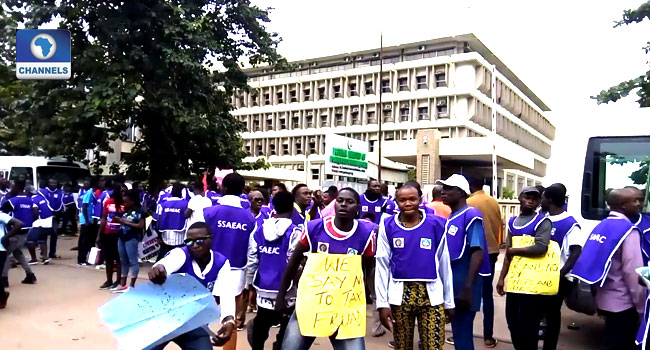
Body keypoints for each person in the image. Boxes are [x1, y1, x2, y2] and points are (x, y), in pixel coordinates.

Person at [275, 187, 375, 350]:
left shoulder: (366, 234)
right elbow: (293, 263)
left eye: (349, 202)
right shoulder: (314, 228)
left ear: (358, 207)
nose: (343, 205)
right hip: (311, 303)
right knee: (290, 347)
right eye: (340, 200)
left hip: (345, 309)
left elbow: (369, 269)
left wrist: (372, 298)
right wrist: (281, 297)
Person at [375, 183, 454, 350]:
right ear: (396, 202)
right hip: (399, 297)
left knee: (433, 346)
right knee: (402, 346)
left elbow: (444, 264)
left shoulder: (436, 224)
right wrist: (382, 304)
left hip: (431, 297)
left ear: (420, 200)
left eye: (412, 199)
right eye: (402, 200)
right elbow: (382, 265)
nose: (408, 203)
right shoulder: (387, 225)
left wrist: (449, 302)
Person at [569, 188, 646, 350]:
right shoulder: (628, 231)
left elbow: (592, 264)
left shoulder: (602, 226)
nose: (639, 204)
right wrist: (641, 308)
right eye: (635, 201)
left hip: (604, 300)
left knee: (610, 341)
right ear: (622, 205)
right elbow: (633, 274)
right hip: (624, 304)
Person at [148, 222, 236, 349]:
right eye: (189, 242)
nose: (194, 245)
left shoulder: (221, 263)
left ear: (210, 239)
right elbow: (166, 263)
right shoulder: (181, 254)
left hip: (194, 325)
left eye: (199, 241)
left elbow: (226, 294)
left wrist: (229, 320)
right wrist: (159, 269)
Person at [496, 186, 554, 350]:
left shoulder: (542, 222)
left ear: (538, 202)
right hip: (516, 283)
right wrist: (501, 279)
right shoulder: (513, 222)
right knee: (513, 322)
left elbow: (541, 247)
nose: (530, 200)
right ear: (520, 198)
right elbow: (508, 254)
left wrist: (515, 250)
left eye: (534, 198)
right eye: (527, 197)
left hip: (533, 285)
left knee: (529, 327)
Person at [438, 174, 490, 350]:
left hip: (465, 285)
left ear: (460, 193)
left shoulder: (471, 215)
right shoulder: (453, 216)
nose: (443, 192)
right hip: (455, 284)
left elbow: (477, 251)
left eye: (448, 189)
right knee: (459, 332)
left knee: (463, 334)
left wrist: (468, 287)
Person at [203, 172, 256, 345]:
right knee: (229, 316)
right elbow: (251, 249)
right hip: (236, 271)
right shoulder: (250, 217)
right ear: (242, 190)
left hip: (209, 268)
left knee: (202, 312)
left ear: (222, 187)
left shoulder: (208, 212)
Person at [246, 191, 301, 350]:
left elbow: (252, 260)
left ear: (273, 208)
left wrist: (249, 285)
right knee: (286, 327)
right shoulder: (295, 232)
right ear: (292, 209)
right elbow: (294, 264)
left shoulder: (259, 230)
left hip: (263, 287)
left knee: (261, 324)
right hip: (287, 291)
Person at [540, 184, 586, 350]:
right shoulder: (543, 219)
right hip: (540, 276)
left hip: (559, 278)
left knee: (552, 314)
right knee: (541, 313)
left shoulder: (570, 223)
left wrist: (560, 274)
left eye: (543, 197)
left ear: (550, 200)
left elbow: (576, 251)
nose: (541, 200)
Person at [465, 176, 502, 348]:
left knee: (468, 291)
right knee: (487, 295)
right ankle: (488, 336)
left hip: (473, 253)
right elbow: (499, 225)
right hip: (492, 250)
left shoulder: (468, 202)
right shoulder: (493, 202)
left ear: (470, 186)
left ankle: (464, 334)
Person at [0, 180, 37, 286]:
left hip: (14, 232)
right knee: (18, 253)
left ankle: (3, 279)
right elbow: (35, 213)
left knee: (5, 254)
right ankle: (30, 274)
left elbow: (2, 213)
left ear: (16, 188)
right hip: (25, 231)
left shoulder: (12, 201)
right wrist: (28, 222)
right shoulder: (30, 200)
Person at [112, 189, 147, 292]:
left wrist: (125, 222)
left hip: (131, 238)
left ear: (133, 201)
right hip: (122, 236)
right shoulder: (126, 210)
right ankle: (122, 284)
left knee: (133, 261)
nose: (125, 203)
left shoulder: (140, 211)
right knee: (123, 261)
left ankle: (131, 285)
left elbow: (140, 226)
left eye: (126, 201)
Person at [96, 183, 126, 290]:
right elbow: (104, 219)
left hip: (121, 235)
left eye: (124, 191)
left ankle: (118, 281)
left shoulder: (126, 204)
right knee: (108, 258)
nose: (123, 193)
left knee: (119, 259)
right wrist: (99, 235)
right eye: (121, 191)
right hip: (108, 233)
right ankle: (109, 280)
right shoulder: (108, 202)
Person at [155, 183, 189, 261]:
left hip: (165, 237)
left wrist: (159, 236)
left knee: (163, 260)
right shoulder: (185, 204)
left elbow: (159, 219)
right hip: (180, 238)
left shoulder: (164, 203)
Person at [26, 183, 56, 265]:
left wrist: (31, 220)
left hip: (40, 221)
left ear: (27, 192)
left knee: (30, 240)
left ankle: (33, 259)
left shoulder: (32, 199)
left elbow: (35, 211)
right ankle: (45, 258)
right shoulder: (41, 197)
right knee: (42, 239)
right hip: (49, 221)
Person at [0, 212, 24, 309]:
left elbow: (18, 224)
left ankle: (2, 297)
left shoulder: (1, 215)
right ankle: (2, 295)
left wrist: (6, 237)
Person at [38, 178, 63, 259]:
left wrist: (57, 213)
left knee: (54, 234)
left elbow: (60, 203)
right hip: (45, 215)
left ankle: (52, 253)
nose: (53, 184)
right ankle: (43, 253)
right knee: (44, 234)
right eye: (51, 183)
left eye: (55, 183)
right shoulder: (42, 192)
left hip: (56, 216)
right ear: (48, 183)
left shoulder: (59, 192)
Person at [625, 187, 650, 264]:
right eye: (634, 200)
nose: (638, 203)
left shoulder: (648, 222)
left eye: (641, 200)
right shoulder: (612, 225)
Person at [78, 182, 99, 265]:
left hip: (90, 220)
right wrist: (86, 220)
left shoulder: (92, 193)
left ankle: (89, 259)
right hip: (86, 220)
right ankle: (81, 259)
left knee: (90, 240)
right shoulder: (89, 193)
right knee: (84, 240)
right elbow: (84, 206)